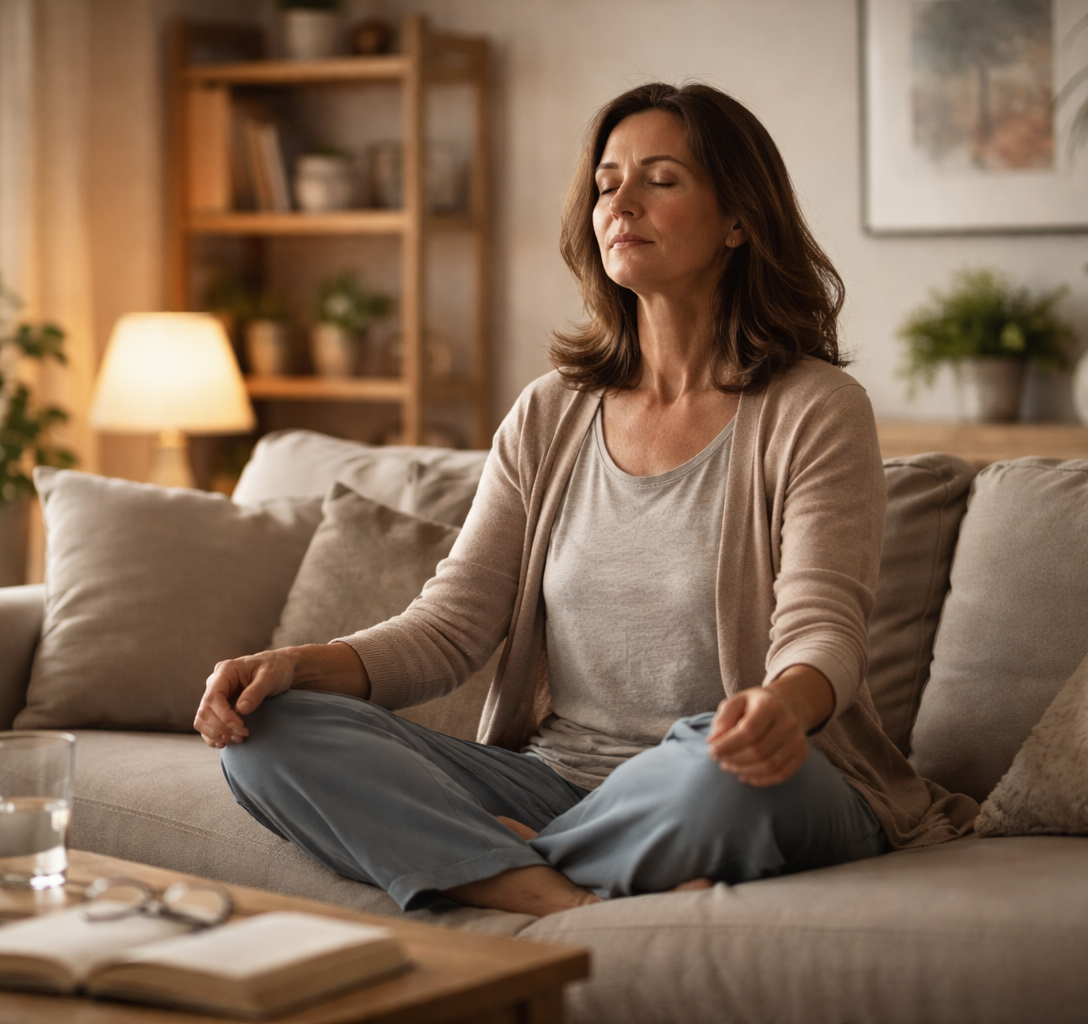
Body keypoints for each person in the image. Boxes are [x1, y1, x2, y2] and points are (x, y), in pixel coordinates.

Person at [195, 82, 979, 918]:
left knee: (716, 774)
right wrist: (295, 665)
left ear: (739, 220)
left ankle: (493, 862)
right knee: (270, 735)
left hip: (741, 772)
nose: (622, 203)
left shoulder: (813, 409)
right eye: (607, 184)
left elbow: (824, 626)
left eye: (661, 180)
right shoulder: (550, 411)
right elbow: (451, 625)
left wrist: (783, 706)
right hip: (555, 779)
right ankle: (557, 889)